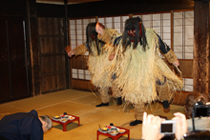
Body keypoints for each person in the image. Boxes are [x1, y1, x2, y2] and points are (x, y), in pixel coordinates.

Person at [96, 17, 183, 126]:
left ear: (140, 28)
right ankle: (139, 118)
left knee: (161, 80)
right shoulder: (125, 37)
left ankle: (165, 99)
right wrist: (102, 33)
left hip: (151, 64)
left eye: (134, 31)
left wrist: (173, 59)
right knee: (136, 94)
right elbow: (112, 39)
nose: (132, 34)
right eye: (129, 32)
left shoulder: (152, 35)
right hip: (134, 68)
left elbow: (163, 47)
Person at [66, 22, 122, 107]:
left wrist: (114, 53)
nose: (93, 35)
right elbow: (83, 47)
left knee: (114, 79)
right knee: (100, 82)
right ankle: (105, 101)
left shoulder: (108, 35)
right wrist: (73, 52)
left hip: (109, 62)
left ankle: (118, 96)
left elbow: (117, 44)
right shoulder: (90, 42)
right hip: (98, 64)